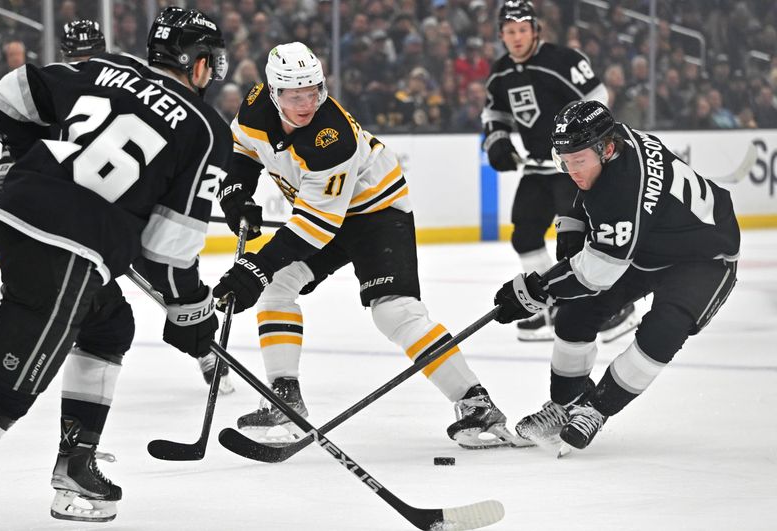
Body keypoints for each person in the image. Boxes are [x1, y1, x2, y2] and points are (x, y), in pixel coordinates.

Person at [0, 7, 230, 522]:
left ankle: (76, 462)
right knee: (6, 393)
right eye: (208, 60)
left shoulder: (104, 66)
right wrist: (193, 311)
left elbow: (6, 96)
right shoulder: (205, 129)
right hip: (67, 249)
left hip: (17, 218)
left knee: (109, 324)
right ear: (197, 63)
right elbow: (169, 252)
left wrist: (12, 160)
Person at [212, 42, 518, 449]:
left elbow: (316, 226)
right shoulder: (253, 106)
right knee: (276, 288)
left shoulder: (330, 137)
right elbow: (243, 150)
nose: (307, 104)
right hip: (325, 215)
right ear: (273, 93)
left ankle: (476, 403)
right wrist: (236, 193)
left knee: (395, 312)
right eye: (295, 95)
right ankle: (286, 400)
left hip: (377, 212)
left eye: (314, 92)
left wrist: (255, 267)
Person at [492, 100, 739, 453]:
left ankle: (596, 408)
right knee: (576, 312)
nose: (572, 169)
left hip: (705, 257)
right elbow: (586, 191)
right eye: (565, 160)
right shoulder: (611, 141)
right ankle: (565, 405)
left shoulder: (625, 187)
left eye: (579, 161)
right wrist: (573, 222)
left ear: (606, 150)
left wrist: (537, 290)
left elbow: (596, 273)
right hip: (649, 243)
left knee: (663, 329)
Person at [481, 0, 637, 342]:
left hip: (573, 167)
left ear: (536, 29)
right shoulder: (500, 73)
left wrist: (581, 144)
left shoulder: (564, 61)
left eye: (523, 29)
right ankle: (547, 307)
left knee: (576, 240)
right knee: (524, 234)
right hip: (537, 168)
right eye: (510, 31)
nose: (517, 37)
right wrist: (496, 139)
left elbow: (597, 97)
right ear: (501, 35)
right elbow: (495, 113)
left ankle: (611, 308)